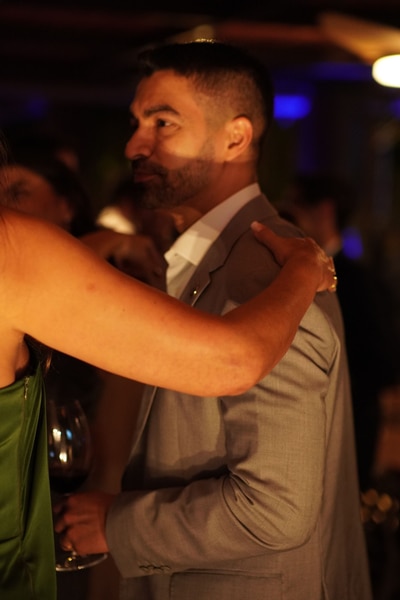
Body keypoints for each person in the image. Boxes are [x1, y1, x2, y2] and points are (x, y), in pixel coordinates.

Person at [56, 41, 371, 600]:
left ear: (235, 138)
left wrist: (114, 525)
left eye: (163, 123)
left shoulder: (265, 274)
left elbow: (272, 507)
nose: (134, 145)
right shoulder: (208, 259)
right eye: (136, 123)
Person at [0, 127, 335, 600]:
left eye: (161, 123)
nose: (132, 144)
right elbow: (234, 361)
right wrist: (304, 268)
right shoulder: (13, 250)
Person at [280, 173, 398, 492]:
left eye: (295, 204)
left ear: (325, 211)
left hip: (345, 430)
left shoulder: (357, 281)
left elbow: (382, 364)